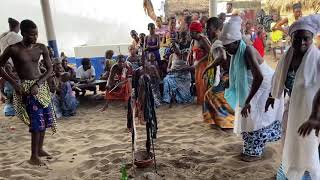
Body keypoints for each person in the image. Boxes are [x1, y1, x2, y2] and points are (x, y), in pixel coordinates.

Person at [220, 16, 284, 162]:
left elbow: (259, 78)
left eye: (227, 46)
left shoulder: (247, 50)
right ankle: (250, 148)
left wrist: (248, 101)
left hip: (265, 85)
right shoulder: (235, 52)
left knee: (255, 116)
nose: (225, 49)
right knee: (247, 116)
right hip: (255, 84)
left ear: (236, 42)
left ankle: (255, 152)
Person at [267, 15, 320, 180]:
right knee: (292, 142)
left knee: (310, 146)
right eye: (298, 38)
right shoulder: (288, 56)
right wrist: (272, 95)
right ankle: (291, 172)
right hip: (295, 108)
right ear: (291, 38)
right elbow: (280, 78)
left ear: (312, 38)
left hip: (315, 112)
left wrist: (314, 116)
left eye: (306, 38)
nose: (302, 42)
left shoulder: (317, 59)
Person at [0, 19, 57, 165]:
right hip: (25, 88)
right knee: (36, 122)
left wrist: (39, 83)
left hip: (40, 86)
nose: (35, 37)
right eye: (32, 34)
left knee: (45, 119)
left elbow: (50, 68)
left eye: (36, 34)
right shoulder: (13, 49)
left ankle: (40, 150)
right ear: (23, 33)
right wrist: (14, 82)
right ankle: (33, 156)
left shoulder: (41, 47)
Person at [202, 17, 235, 129]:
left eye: (208, 29)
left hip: (229, 75)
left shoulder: (217, 42)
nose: (206, 31)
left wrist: (209, 67)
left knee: (211, 94)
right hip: (230, 73)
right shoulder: (222, 40)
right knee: (209, 94)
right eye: (206, 29)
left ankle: (226, 122)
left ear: (216, 29)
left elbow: (222, 56)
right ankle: (220, 121)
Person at [189, 21, 211, 104]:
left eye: (192, 32)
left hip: (204, 65)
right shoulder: (194, 40)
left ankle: (205, 103)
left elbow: (210, 53)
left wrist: (199, 61)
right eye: (190, 32)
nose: (190, 34)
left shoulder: (203, 40)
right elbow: (192, 51)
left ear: (197, 32)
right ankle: (201, 102)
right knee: (198, 84)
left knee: (203, 84)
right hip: (198, 65)